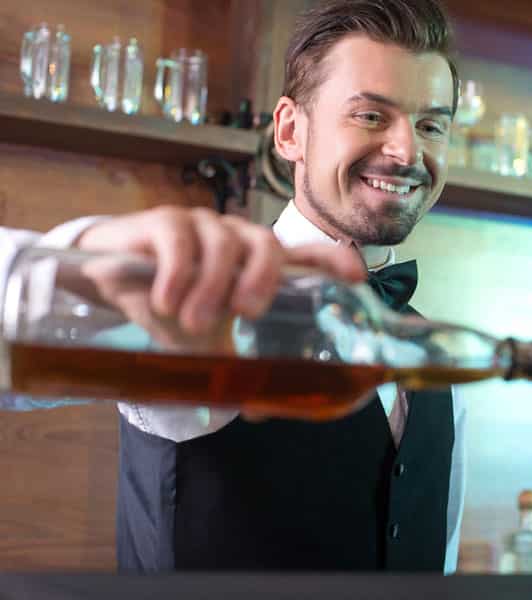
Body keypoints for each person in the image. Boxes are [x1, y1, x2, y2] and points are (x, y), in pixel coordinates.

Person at [0, 0, 465, 573]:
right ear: (291, 131)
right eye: (371, 115)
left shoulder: (440, 361)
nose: (407, 151)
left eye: (430, 125)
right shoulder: (195, 303)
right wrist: (84, 264)